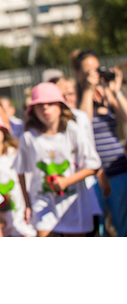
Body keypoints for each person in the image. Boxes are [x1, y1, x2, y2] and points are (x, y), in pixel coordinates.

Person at [14, 83, 101, 237]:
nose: (45, 108)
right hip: (42, 202)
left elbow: (93, 165)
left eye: (50, 103)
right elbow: (20, 171)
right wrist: (27, 204)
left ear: (61, 106)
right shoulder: (29, 137)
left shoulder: (72, 130)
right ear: (33, 109)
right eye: (40, 105)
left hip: (73, 202)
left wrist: (67, 181)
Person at [71, 49, 127, 237]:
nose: (95, 74)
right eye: (89, 71)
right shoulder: (75, 96)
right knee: (98, 228)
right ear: (78, 73)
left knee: (123, 223)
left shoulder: (106, 94)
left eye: (97, 69)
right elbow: (83, 122)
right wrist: (88, 89)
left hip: (118, 168)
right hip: (92, 173)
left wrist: (116, 91)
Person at [54, 75, 107, 235]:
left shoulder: (80, 117)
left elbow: (89, 150)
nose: (67, 98)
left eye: (70, 93)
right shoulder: (45, 125)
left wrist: (99, 173)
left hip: (85, 185)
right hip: (57, 191)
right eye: (62, 95)